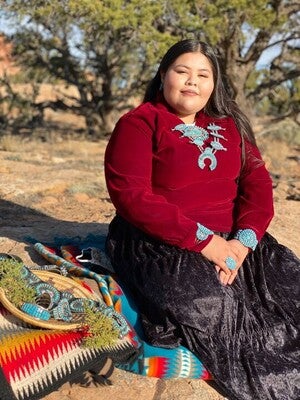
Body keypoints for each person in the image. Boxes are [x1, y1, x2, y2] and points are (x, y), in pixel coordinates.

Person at [104, 39, 300, 400]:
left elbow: (256, 184)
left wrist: (243, 241)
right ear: (164, 75)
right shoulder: (139, 124)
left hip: (237, 239)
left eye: (203, 74)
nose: (192, 81)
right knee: (220, 316)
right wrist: (207, 243)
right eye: (182, 71)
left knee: (292, 292)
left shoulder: (231, 126)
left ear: (214, 83)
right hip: (162, 243)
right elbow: (132, 196)